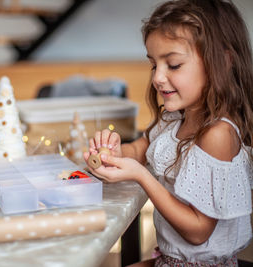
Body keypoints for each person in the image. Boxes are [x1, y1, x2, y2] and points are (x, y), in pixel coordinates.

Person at [84, 0, 253, 266]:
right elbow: (141, 148)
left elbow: (198, 232)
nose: (157, 78)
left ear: (222, 61)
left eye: (173, 65)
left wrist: (141, 176)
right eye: (154, 65)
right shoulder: (176, 117)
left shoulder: (217, 134)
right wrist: (116, 151)